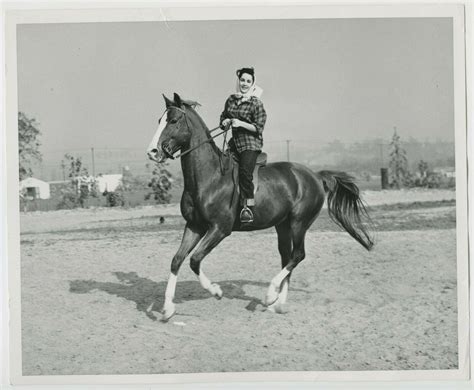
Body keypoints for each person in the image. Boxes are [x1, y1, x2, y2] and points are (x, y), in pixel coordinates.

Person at [220, 67, 267, 224]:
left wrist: (240, 123)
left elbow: (258, 127)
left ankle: (247, 208)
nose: (244, 83)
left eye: (248, 81)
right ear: (238, 81)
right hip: (235, 144)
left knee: (245, 174)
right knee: (222, 168)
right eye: (242, 80)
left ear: (252, 84)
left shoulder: (256, 104)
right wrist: (225, 122)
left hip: (250, 144)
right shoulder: (231, 100)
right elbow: (223, 117)